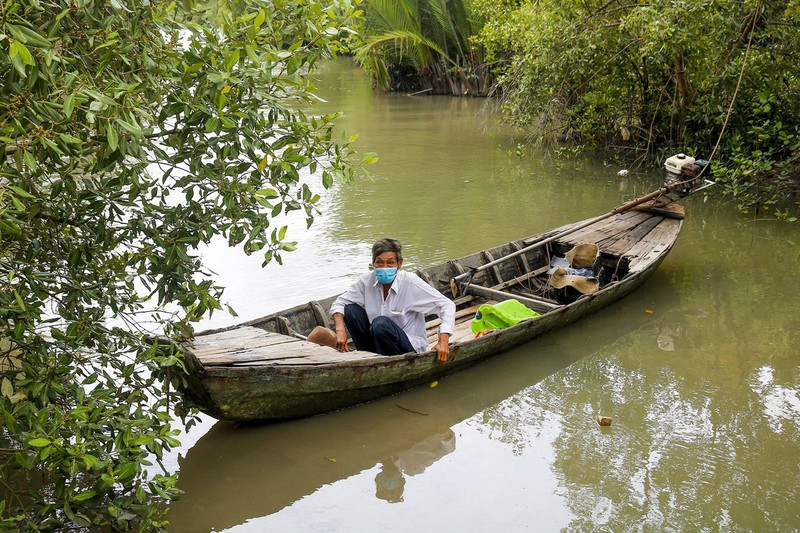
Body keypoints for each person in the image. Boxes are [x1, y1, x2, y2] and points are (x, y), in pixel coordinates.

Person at [324, 238, 455, 364]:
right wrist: (340, 330)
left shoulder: (410, 282)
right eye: (379, 263)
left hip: (409, 346)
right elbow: (340, 303)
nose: (384, 267)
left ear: (399, 264)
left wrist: (443, 341)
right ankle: (368, 357)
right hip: (378, 341)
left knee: (380, 323)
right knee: (350, 310)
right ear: (373, 263)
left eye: (390, 263)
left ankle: (384, 361)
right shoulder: (366, 281)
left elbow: (447, 305)